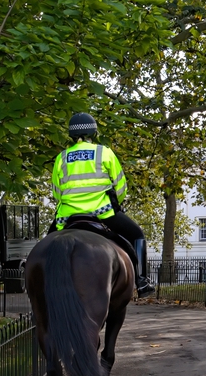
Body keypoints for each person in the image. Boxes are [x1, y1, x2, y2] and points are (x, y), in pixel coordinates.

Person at [51, 112, 155, 297]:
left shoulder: (62, 157)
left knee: (47, 245)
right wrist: (115, 203)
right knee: (137, 234)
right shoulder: (104, 152)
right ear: (94, 132)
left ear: (71, 135)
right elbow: (121, 186)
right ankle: (142, 282)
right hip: (102, 212)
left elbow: (56, 192)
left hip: (67, 216)